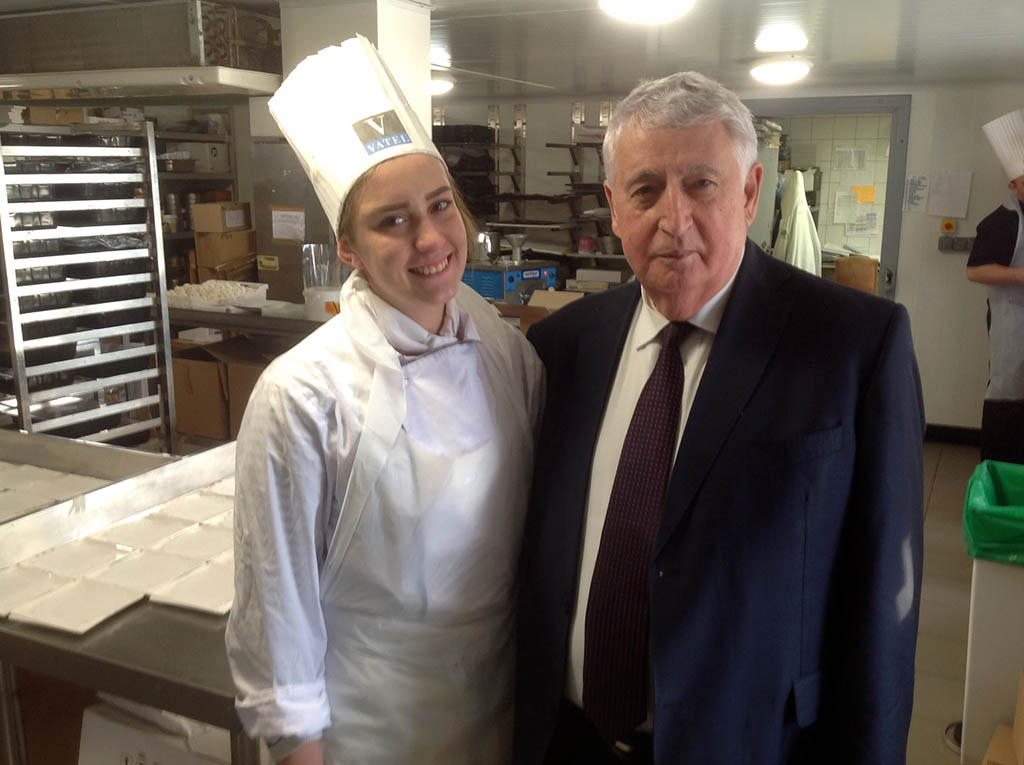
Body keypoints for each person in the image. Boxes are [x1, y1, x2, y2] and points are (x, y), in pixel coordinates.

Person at [515, 71, 925, 764]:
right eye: (645, 189)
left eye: (701, 184)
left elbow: (886, 602)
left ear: (750, 192)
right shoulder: (563, 347)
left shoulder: (853, 347)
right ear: (613, 206)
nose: (673, 219)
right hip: (567, 739)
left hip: (750, 745)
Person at [225, 37, 543, 764]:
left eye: (440, 206)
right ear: (348, 247)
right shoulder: (302, 396)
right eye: (391, 220)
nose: (430, 238)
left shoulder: (507, 355)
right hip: (368, 737)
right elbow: (278, 618)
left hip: (499, 719)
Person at [966, 108, 1024, 465]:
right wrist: (1020, 275)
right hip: (1014, 328)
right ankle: (999, 476)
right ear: (1013, 186)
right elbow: (974, 271)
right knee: (1010, 399)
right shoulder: (1003, 220)